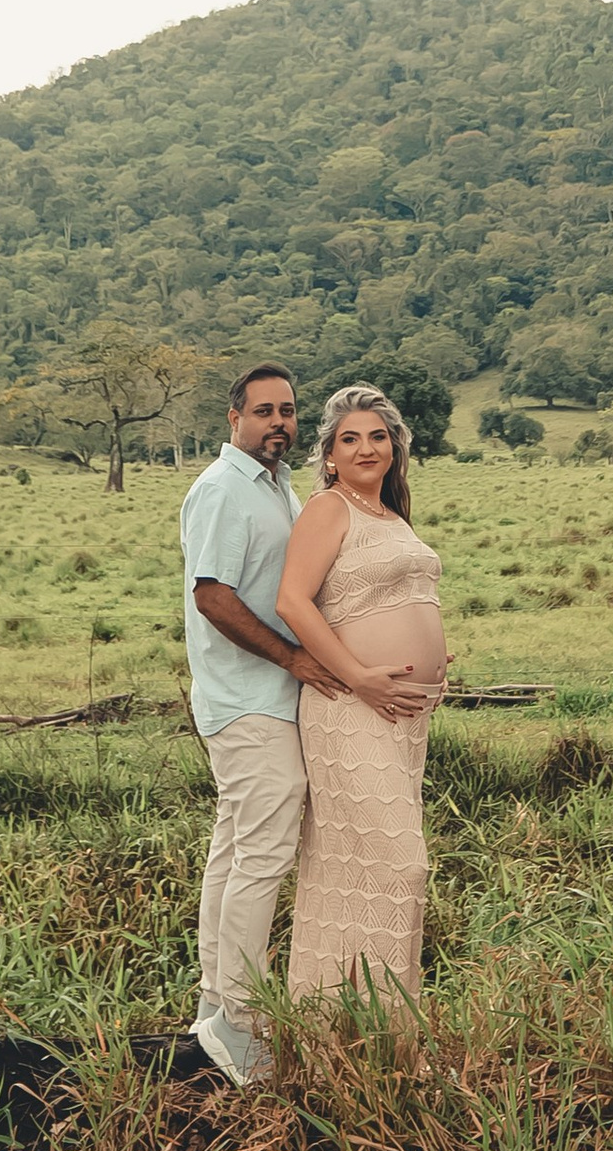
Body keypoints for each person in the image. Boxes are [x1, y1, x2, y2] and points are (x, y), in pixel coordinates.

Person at [179, 363, 337, 1087]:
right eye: (265, 410)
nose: (279, 421)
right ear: (234, 416)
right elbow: (213, 595)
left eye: (290, 410)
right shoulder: (221, 489)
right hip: (246, 697)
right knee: (265, 852)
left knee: (236, 846)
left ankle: (215, 1003)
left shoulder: (275, 486)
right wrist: (292, 658)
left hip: (264, 695)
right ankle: (241, 1024)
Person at [278, 382, 447, 1009]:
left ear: (395, 448)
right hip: (350, 710)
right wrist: (359, 674)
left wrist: (431, 653)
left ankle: (373, 1042)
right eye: (350, 439)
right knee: (401, 867)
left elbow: (388, 600)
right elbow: (292, 601)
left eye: (378, 436)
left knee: (361, 872)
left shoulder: (391, 516)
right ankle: (361, 1025)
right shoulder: (328, 508)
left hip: (403, 717)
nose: (366, 447)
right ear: (329, 456)